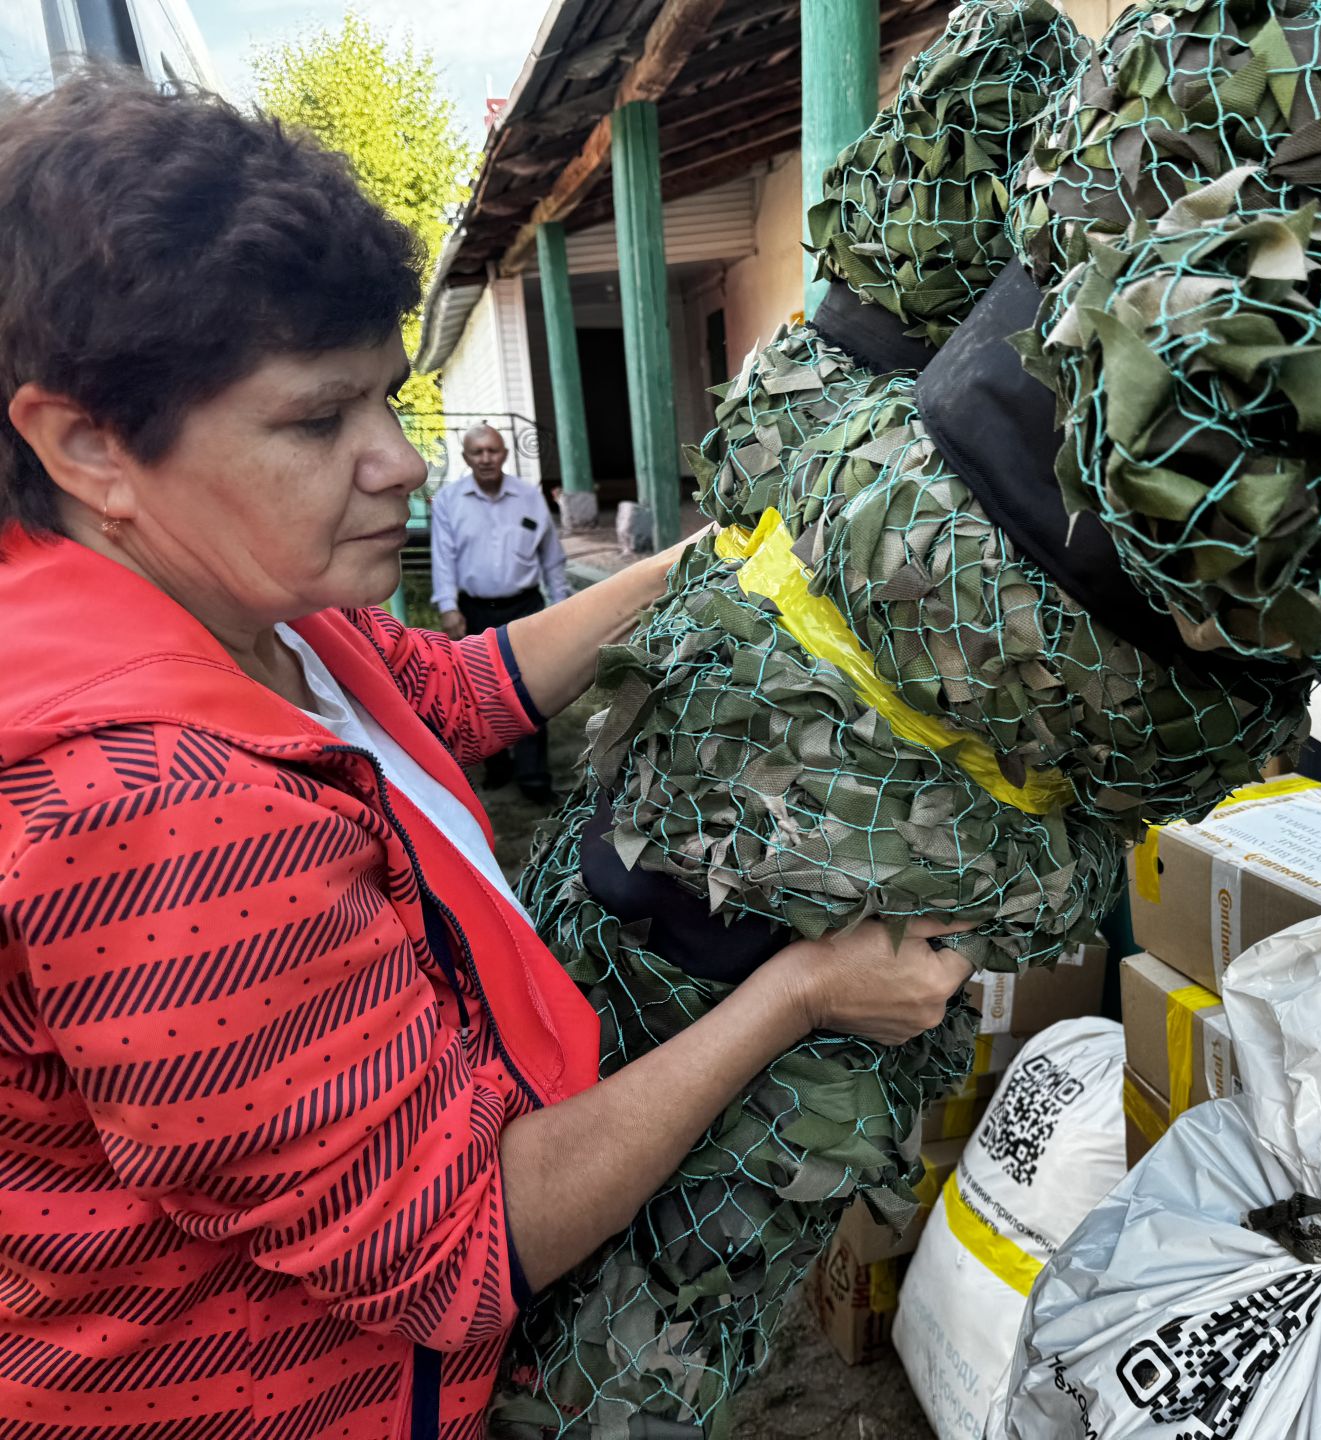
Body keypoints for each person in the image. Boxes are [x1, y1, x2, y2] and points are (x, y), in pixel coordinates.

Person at [0, 74, 972, 1440]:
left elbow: (447, 693)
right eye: (314, 420)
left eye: (389, 401)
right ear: (88, 443)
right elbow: (467, 1248)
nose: (398, 463)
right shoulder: (164, 820)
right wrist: (805, 994)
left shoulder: (250, 624)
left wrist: (719, 558)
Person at [430, 423, 568, 801]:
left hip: (525, 607)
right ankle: (496, 765)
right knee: (479, 693)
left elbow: (552, 558)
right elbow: (443, 558)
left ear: (505, 454)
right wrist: (448, 606)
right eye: (478, 452)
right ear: (466, 457)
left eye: (493, 450)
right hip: (474, 610)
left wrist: (561, 605)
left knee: (533, 689)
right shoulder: (449, 500)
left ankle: (534, 777)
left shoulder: (528, 497)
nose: (486, 458)